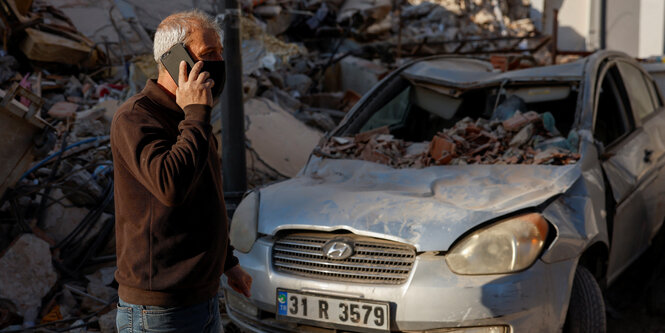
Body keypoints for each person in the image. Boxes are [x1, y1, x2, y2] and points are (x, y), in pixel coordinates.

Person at [110, 9, 252, 333]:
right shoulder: (135, 118)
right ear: (174, 59)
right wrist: (196, 115)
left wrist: (228, 264)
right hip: (158, 311)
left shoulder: (191, 118)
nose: (218, 62)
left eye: (219, 52)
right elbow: (171, 186)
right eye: (208, 54)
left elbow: (206, 198)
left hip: (202, 300)